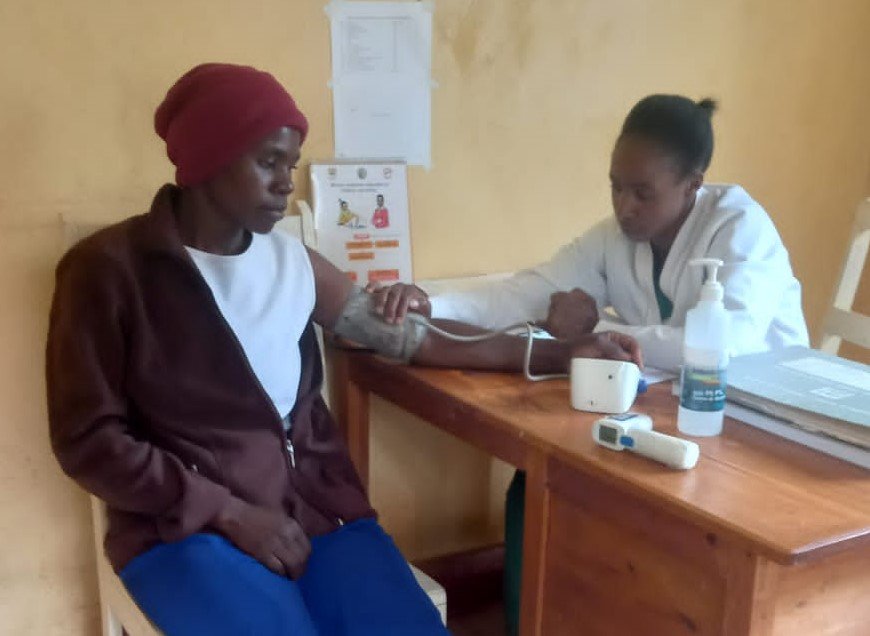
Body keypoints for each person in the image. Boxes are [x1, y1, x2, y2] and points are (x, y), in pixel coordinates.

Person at [45, 63, 641, 636]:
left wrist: (561, 352)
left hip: (315, 508)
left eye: (291, 162)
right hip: (181, 528)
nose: (285, 181)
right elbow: (88, 441)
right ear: (209, 159)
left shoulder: (292, 262)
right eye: (269, 162)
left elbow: (417, 340)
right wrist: (226, 511)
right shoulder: (107, 272)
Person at [369, 94, 810, 635]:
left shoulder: (741, 227)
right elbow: (532, 290)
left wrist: (593, 333)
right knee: (542, 486)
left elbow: (728, 343)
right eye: (616, 186)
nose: (625, 206)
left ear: (693, 184)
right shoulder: (617, 237)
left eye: (642, 192)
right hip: (665, 413)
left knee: (649, 525)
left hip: (760, 432)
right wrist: (432, 303)